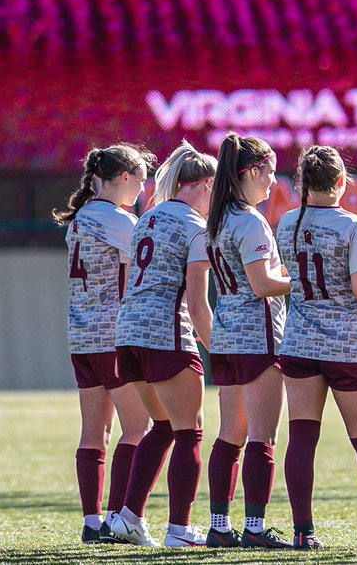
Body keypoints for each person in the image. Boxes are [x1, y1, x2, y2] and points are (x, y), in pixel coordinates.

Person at [276, 146, 357, 549]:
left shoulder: (286, 222)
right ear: (342, 182)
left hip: (300, 341)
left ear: (302, 183)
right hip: (346, 345)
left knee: (302, 437)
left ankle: (303, 531)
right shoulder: (353, 227)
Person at [108, 141, 217, 548]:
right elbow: (196, 300)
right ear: (205, 184)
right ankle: (180, 530)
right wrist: (217, 351)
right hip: (165, 331)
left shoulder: (147, 218)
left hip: (128, 331)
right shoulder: (195, 226)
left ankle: (129, 517)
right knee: (191, 431)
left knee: (165, 426)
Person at [54, 144, 155, 545]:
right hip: (112, 335)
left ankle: (93, 521)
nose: (143, 188)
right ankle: (117, 518)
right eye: (142, 179)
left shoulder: (82, 217)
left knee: (94, 433)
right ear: (126, 178)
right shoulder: (118, 220)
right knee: (139, 426)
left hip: (81, 334)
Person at [205, 133, 293, 549]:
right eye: (270, 172)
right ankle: (255, 528)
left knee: (230, 436)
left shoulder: (219, 216)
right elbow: (262, 284)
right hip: (256, 338)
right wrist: (302, 279)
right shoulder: (250, 219)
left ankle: (220, 525)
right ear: (253, 171)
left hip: (226, 336)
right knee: (262, 437)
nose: (274, 182)